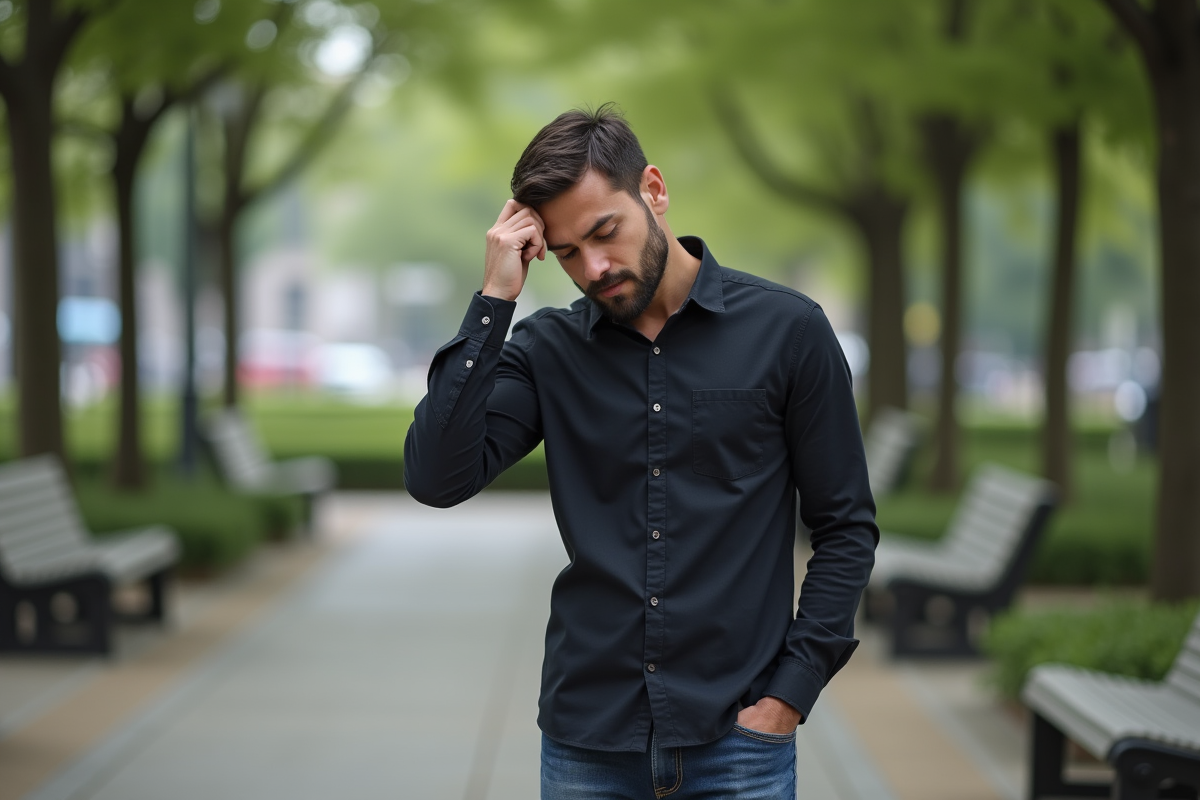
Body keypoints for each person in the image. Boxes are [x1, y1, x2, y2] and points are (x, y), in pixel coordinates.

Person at [404, 104, 878, 800]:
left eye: (604, 232)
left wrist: (789, 695)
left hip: (739, 744)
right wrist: (495, 295)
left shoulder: (788, 332)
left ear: (653, 191)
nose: (593, 267)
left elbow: (845, 527)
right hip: (588, 745)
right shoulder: (546, 354)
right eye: (566, 252)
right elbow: (435, 477)